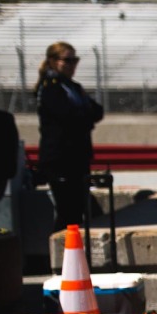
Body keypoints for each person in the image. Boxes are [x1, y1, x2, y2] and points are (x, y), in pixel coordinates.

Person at [34, 42, 103, 232]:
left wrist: (84, 118)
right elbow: (67, 118)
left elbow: (97, 111)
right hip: (60, 159)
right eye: (67, 60)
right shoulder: (50, 87)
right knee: (67, 212)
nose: (72, 65)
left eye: (75, 60)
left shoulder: (73, 87)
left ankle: (73, 248)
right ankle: (60, 249)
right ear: (53, 61)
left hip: (78, 157)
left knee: (78, 210)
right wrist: (85, 118)